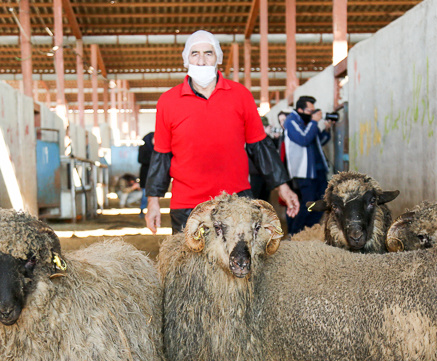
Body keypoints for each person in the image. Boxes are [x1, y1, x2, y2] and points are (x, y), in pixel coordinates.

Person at [144, 30, 299, 234]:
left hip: (236, 201)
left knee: (241, 263)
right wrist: (153, 202)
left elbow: (260, 146)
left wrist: (283, 187)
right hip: (187, 205)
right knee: (189, 264)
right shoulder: (168, 101)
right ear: (186, 59)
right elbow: (161, 155)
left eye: (208, 53)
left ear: (218, 58)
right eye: (194, 54)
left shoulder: (240, 95)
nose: (201, 60)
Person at [283, 95, 332, 235]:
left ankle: (309, 231)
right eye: (310, 111)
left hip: (318, 170)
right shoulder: (291, 121)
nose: (312, 114)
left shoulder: (307, 122)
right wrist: (314, 122)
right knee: (308, 204)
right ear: (300, 109)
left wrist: (327, 129)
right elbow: (303, 139)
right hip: (304, 172)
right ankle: (295, 233)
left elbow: (317, 141)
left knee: (323, 202)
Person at [137, 131, 154, 218]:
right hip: (145, 174)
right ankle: (142, 210)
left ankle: (150, 211)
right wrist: (152, 161)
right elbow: (140, 160)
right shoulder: (143, 148)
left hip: (153, 175)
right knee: (144, 194)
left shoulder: (156, 148)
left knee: (152, 195)